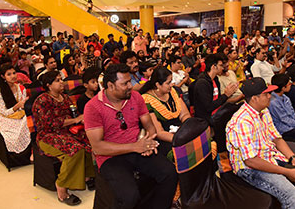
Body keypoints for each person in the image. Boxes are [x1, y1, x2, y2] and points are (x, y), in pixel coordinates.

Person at [226, 77, 295, 209]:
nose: (270, 96)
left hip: (269, 155)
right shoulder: (241, 122)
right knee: (291, 194)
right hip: (249, 169)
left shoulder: (263, 111)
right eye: (266, 94)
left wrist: (293, 158)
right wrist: (286, 172)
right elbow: (251, 161)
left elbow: (277, 138)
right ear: (254, 98)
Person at [84, 64, 178, 209]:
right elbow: (98, 147)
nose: (130, 86)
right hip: (111, 158)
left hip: (137, 148)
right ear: (110, 85)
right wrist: (135, 147)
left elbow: (149, 125)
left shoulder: (135, 97)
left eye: (130, 82)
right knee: (129, 195)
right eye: (125, 83)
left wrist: (146, 141)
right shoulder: (93, 107)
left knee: (169, 173)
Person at [33, 71, 95, 205]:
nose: (61, 82)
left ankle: (87, 176)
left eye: (61, 79)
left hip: (66, 131)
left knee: (88, 139)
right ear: (48, 85)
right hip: (48, 136)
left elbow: (74, 115)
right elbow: (48, 124)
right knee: (75, 149)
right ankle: (61, 187)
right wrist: (74, 120)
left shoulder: (65, 97)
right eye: (57, 80)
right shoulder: (42, 100)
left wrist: (80, 119)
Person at [140, 66, 190, 156]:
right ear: (158, 85)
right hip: (166, 138)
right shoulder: (147, 99)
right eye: (168, 83)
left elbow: (184, 114)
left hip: (181, 132)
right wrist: (180, 138)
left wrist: (187, 130)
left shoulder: (172, 91)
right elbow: (159, 132)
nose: (172, 84)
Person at [0, 64, 30, 154]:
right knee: (26, 122)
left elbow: (23, 106)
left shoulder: (20, 88)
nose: (13, 76)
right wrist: (17, 106)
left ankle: (34, 151)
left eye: (14, 73)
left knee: (31, 119)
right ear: (3, 77)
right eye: (9, 74)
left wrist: (23, 105)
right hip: (6, 119)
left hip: (20, 114)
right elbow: (4, 112)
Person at [193, 54, 238, 125]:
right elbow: (208, 107)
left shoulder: (215, 79)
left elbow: (218, 99)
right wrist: (226, 95)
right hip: (207, 117)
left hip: (217, 111)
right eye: (220, 65)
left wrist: (227, 94)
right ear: (214, 66)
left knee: (237, 108)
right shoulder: (202, 83)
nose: (222, 68)